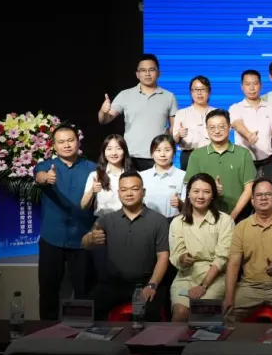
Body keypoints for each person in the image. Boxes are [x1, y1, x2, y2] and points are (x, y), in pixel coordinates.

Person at [82, 172, 170, 321]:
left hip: (146, 282)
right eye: (123, 190)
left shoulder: (159, 221)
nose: (129, 193)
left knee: (151, 318)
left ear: (143, 192)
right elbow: (84, 243)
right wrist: (91, 239)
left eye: (134, 189)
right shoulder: (107, 219)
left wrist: (152, 285)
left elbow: (163, 257)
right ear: (119, 193)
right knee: (87, 313)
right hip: (113, 284)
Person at [33, 124, 97, 321]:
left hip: (82, 239)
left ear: (78, 142)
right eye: (61, 142)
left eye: (70, 140)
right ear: (54, 146)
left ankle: (84, 332)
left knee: (84, 291)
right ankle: (46, 332)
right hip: (52, 238)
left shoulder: (92, 168)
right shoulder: (46, 166)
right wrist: (46, 178)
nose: (67, 145)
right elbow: (39, 177)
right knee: (48, 290)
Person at [222, 178, 272, 321]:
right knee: (226, 317)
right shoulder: (241, 226)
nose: (263, 198)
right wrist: (229, 296)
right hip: (249, 286)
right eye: (259, 195)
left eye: (268, 194)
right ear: (252, 200)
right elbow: (233, 263)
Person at [168, 173, 234, 322]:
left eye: (206, 192)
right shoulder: (178, 222)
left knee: (200, 313)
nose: (200, 196)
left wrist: (203, 285)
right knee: (180, 313)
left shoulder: (224, 220)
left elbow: (222, 257)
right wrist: (182, 258)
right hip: (186, 275)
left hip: (215, 277)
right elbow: (176, 252)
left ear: (213, 195)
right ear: (188, 194)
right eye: (196, 191)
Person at [98, 53, 178, 171]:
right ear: (137, 74)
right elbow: (104, 120)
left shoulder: (169, 97)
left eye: (151, 70)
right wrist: (103, 111)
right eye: (143, 70)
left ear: (158, 73)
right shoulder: (125, 95)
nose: (147, 73)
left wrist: (169, 147)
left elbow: (174, 129)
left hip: (158, 156)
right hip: (131, 156)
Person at [184, 109, 257, 221]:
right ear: (207, 130)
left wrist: (231, 217)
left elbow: (249, 189)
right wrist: (211, 189)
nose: (217, 131)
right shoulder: (196, 155)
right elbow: (190, 187)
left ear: (229, 127)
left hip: (239, 217)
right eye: (212, 128)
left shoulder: (243, 154)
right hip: (204, 217)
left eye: (221, 127)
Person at [81, 135, 134, 217]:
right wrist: (92, 190)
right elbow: (83, 206)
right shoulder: (95, 175)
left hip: (127, 220)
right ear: (104, 152)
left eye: (118, 148)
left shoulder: (134, 176)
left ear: (124, 151)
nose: (114, 153)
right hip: (103, 221)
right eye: (109, 149)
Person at [172, 75, 216, 170]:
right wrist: (179, 135)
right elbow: (174, 141)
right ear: (191, 92)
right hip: (189, 155)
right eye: (196, 89)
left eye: (203, 89)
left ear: (209, 91)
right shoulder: (182, 113)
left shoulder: (217, 113)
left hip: (213, 154)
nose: (199, 93)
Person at [139, 134, 185, 218]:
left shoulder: (183, 176)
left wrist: (180, 203)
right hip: (147, 221)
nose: (162, 154)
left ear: (174, 153)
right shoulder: (142, 176)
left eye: (167, 150)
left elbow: (189, 207)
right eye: (158, 150)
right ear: (152, 154)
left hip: (173, 221)